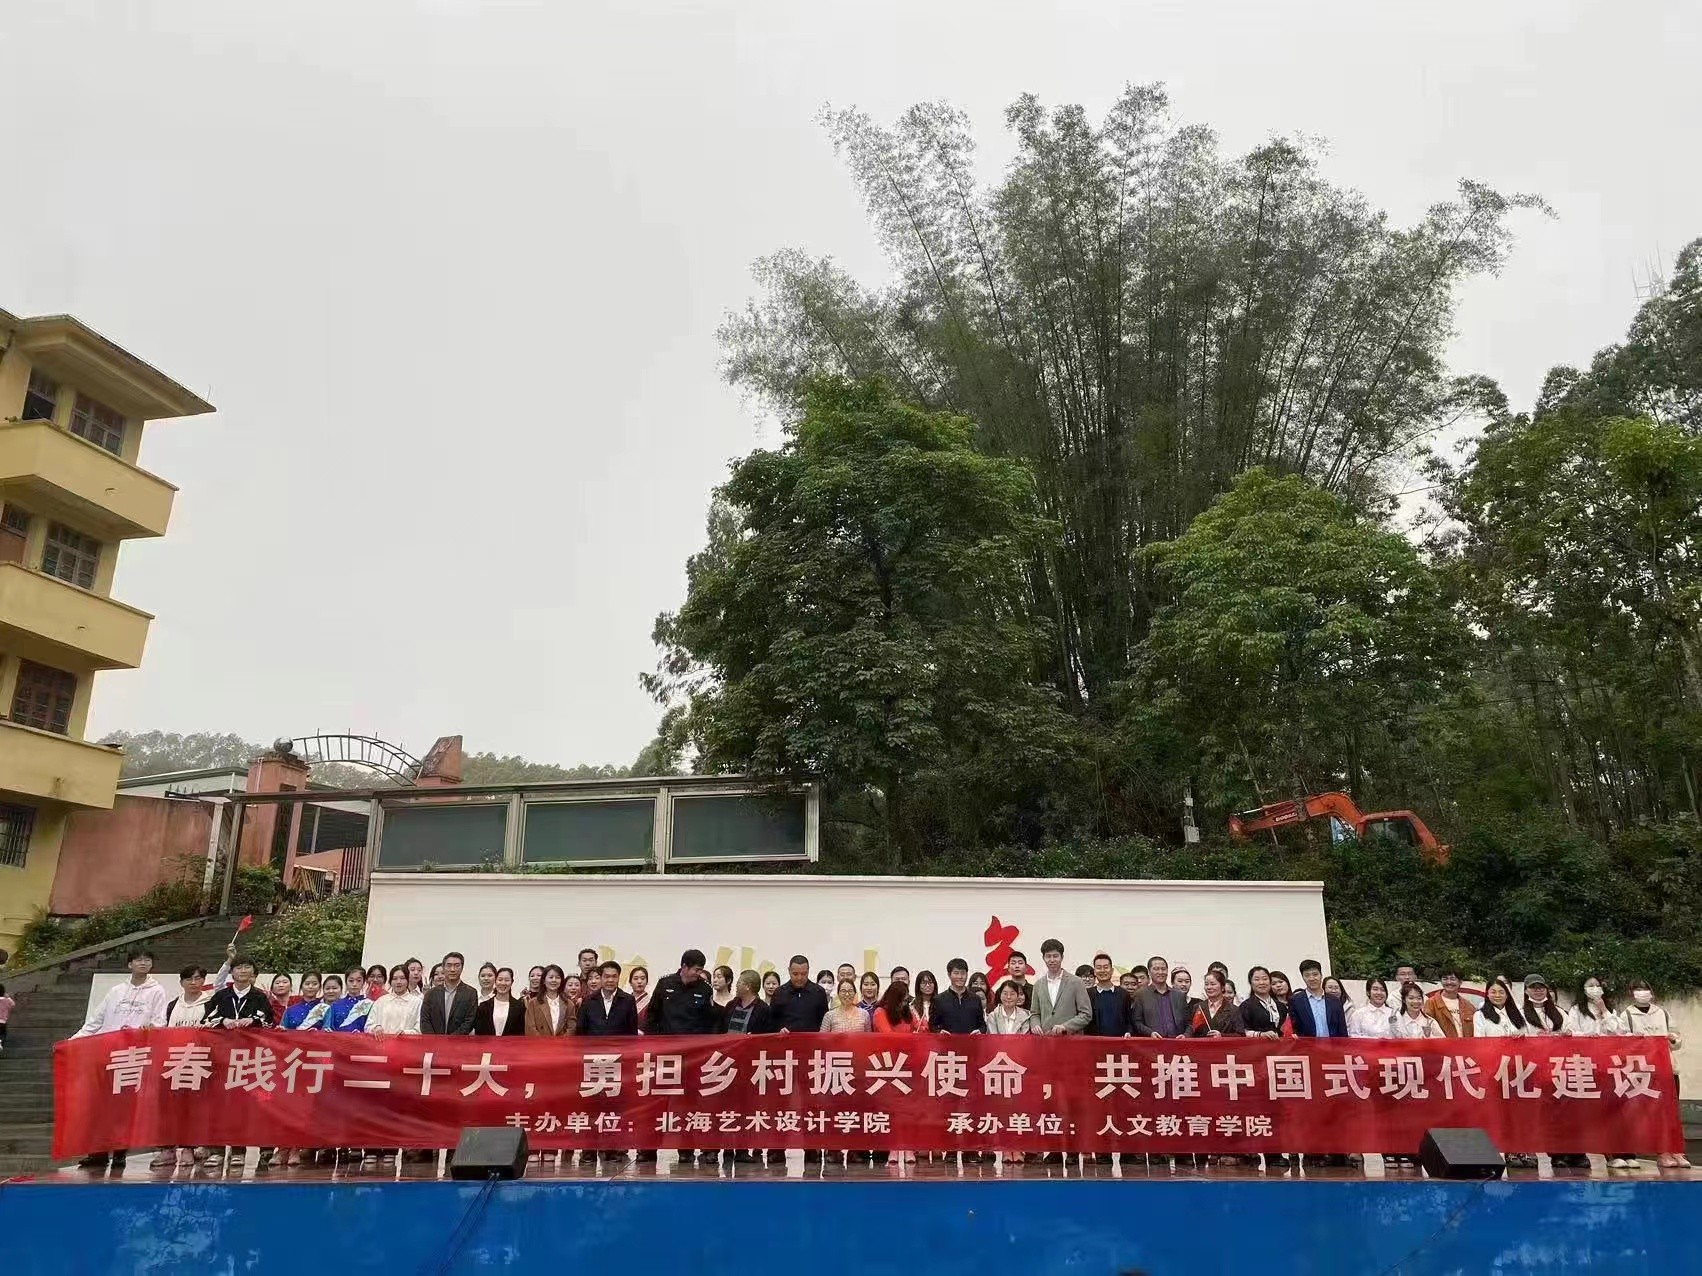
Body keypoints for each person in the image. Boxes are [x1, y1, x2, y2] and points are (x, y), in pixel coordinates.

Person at [647, 950, 726, 1166]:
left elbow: (710, 1022)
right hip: (667, 1057)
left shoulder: (704, 989)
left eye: (701, 970)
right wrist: (656, 1044)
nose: (699, 974)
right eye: (696, 970)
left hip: (695, 1057)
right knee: (661, 1102)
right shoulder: (665, 984)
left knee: (697, 1103)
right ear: (684, 967)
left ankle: (695, 1149)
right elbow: (652, 1016)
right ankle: (652, 1149)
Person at [203, 958, 276, 1175]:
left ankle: (238, 1150)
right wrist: (223, 1021)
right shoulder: (221, 996)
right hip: (222, 1059)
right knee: (219, 1105)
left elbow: (269, 1022)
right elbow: (206, 1019)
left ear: (253, 973)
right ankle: (216, 1150)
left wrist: (253, 1020)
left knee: (243, 1106)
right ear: (232, 972)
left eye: (247, 968)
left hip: (248, 1060)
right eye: (238, 967)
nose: (243, 971)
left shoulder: (259, 997)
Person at [1620, 980, 1690, 1170]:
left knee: (1671, 1111)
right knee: (1652, 1112)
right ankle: (1662, 1151)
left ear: (1651, 992)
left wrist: (1673, 1040)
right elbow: (1622, 1041)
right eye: (1637, 989)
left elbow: (1677, 1039)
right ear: (1631, 993)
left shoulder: (1662, 1013)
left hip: (1667, 1068)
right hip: (1643, 1072)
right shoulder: (1627, 1015)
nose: (1642, 992)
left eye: (1645, 989)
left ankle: (1676, 1150)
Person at [1474, 978, 1535, 1169]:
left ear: (1508, 994)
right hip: (1496, 1070)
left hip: (1519, 1070)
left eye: (1501, 992)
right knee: (1501, 1113)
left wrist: (1522, 1038)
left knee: (1521, 1113)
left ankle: (1524, 1149)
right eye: (1493, 992)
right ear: (1487, 994)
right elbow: (1478, 1042)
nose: (1497, 995)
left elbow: (1532, 1040)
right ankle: (1507, 1150)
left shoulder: (1518, 1014)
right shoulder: (1480, 1015)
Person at [1031, 938, 1091, 1036]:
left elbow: (1086, 1014)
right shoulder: (1038, 985)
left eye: (1055, 956)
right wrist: (1035, 1024)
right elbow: (1034, 1013)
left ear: (1062, 957)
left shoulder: (1076, 982)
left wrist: (1065, 1027)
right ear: (1043, 958)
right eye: (1048, 956)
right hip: (1046, 1040)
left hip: (1070, 1039)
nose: (1052, 960)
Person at [420, 952, 478, 1035]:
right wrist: (434, 1039)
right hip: (434, 1041)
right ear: (443, 968)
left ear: (462, 968)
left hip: (459, 1041)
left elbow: (469, 1022)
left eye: (457, 965)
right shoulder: (431, 993)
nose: (452, 969)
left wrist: (451, 1040)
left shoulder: (470, 993)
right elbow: (425, 1021)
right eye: (449, 965)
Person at [770, 955, 830, 1034]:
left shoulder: (818, 992)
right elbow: (771, 1022)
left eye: (803, 974)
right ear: (789, 971)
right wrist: (779, 1030)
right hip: (786, 1040)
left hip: (813, 1040)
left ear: (808, 971)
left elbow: (825, 1022)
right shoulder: (779, 993)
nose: (799, 978)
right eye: (795, 974)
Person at [1286, 960, 1347, 1038]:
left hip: (1332, 1044)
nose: (1311, 978)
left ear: (1321, 975)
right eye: (1307, 975)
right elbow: (1295, 1029)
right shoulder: (1295, 1001)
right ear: (1303, 977)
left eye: (1315, 974)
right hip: (1307, 1045)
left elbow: (1342, 1030)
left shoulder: (1335, 1001)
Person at [1132, 956, 1188, 1039]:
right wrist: (1150, 1032)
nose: (1160, 972)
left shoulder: (1179, 995)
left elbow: (1188, 1023)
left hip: (1177, 1043)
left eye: (1163, 969)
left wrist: (1186, 1035)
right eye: (1156, 969)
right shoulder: (1140, 994)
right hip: (1152, 1043)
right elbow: (1136, 1022)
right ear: (1149, 972)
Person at [579, 961, 639, 1035]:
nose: (610, 980)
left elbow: (632, 1032)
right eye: (607, 976)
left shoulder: (628, 1000)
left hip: (619, 1042)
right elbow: (581, 1030)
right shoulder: (588, 1001)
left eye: (614, 976)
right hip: (594, 1042)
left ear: (619, 978)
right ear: (601, 977)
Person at [931, 959, 987, 1035]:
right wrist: (939, 1032)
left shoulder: (975, 999)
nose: (960, 977)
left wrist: (980, 1031)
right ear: (949, 975)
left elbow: (982, 1025)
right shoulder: (939, 999)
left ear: (967, 974)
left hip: (971, 1041)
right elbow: (932, 1025)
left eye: (963, 973)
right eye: (956, 973)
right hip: (947, 1042)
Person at [367, 966, 422, 1035]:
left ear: (408, 980)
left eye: (402, 978)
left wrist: (406, 1033)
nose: (398, 982)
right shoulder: (381, 1001)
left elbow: (420, 1028)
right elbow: (368, 1025)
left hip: (407, 1041)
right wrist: (375, 1027)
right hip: (383, 1041)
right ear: (390, 982)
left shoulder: (417, 1002)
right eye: (395, 979)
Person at [1088, 953, 1133, 1038]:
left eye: (1106, 967)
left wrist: (1128, 1032)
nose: (1102, 970)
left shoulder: (1124, 994)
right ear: (1094, 972)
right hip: (1095, 1042)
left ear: (1112, 970)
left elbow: (1129, 1020)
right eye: (1098, 968)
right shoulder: (1088, 994)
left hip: (1119, 1042)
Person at [474, 967, 527, 1037]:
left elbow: (521, 1033)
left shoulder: (519, 1007)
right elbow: (479, 1033)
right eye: (500, 980)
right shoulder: (483, 1006)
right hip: (487, 1044)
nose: (503, 983)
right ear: (495, 981)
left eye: (507, 980)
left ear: (512, 982)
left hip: (511, 1044)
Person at [525, 965, 576, 1037]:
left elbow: (571, 1028)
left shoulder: (569, 1004)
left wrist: (561, 1041)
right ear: (543, 981)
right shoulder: (533, 1003)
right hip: (539, 1043)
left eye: (557, 977)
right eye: (551, 977)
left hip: (563, 1043)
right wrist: (545, 1042)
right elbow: (530, 1029)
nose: (554, 980)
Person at [1424, 970, 1475, 1038]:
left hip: (1466, 1044)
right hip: (1443, 1044)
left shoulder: (1468, 1005)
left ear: (1460, 982)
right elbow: (1428, 1030)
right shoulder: (1431, 1003)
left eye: (1453, 979)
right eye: (1445, 979)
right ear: (1441, 981)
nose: (1449, 982)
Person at [1193, 970, 1244, 1036]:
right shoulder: (1198, 1007)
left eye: (1213, 984)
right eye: (1206, 984)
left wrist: (1222, 1035)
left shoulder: (1233, 1010)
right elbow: (1191, 1029)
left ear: (1222, 987)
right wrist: (1185, 1035)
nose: (1209, 987)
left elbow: (1241, 1035)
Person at [1241, 966, 1287, 1038]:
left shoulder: (1281, 1006)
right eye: (1257, 979)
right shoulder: (1246, 1006)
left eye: (1265, 979)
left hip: (1279, 1044)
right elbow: (1242, 1031)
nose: (1261, 982)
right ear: (1251, 983)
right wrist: (1260, 1034)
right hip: (1257, 1044)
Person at [0, 982, 12, 1053]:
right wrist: (8, 997)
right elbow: (12, 1004)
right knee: (3, 1033)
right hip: (2, 1022)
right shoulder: (6, 1000)